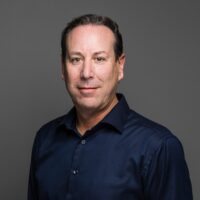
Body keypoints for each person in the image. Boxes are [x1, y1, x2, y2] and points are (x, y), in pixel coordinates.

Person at [28, 14, 193, 200]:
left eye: (99, 59)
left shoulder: (158, 147)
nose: (86, 73)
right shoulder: (45, 139)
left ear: (119, 65)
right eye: (76, 59)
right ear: (62, 68)